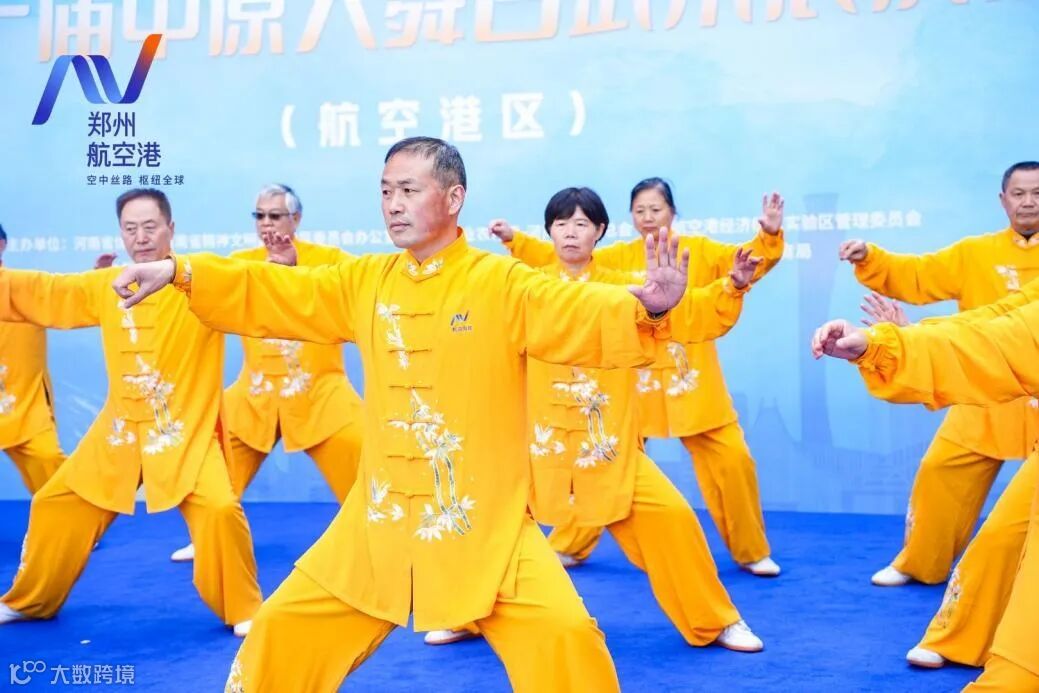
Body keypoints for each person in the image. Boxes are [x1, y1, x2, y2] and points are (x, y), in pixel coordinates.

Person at [112, 137, 691, 692]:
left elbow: (573, 308)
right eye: (386, 191)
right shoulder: (366, 281)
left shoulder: (501, 282)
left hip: (481, 523)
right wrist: (181, 272)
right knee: (282, 628)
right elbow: (275, 290)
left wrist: (649, 308)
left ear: (454, 197)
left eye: (409, 190)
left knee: (566, 635)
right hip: (377, 522)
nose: (393, 204)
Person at [424, 186, 766, 652]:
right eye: (561, 223)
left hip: (606, 446)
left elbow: (684, 316)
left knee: (672, 518)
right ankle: (466, 613)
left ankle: (716, 620)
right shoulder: (524, 289)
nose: (571, 232)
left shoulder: (626, 288)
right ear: (549, 232)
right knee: (489, 523)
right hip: (533, 445)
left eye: (582, 223)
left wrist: (733, 286)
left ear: (600, 231)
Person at [0, 189, 262, 637]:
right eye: (130, 228)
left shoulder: (201, 281)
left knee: (220, 508)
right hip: (119, 431)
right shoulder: (109, 284)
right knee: (56, 503)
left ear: (170, 229)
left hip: (183, 429)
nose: (140, 237)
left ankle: (244, 607)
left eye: (150, 227)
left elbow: (255, 286)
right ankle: (30, 601)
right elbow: (48, 291)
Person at [496, 179, 785, 576]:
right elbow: (565, 261)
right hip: (629, 386)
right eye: (640, 210)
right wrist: (516, 240)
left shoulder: (697, 251)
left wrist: (766, 239)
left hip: (691, 385)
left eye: (656, 209)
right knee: (599, 459)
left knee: (733, 460)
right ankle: (570, 543)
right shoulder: (612, 260)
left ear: (673, 212)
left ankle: (750, 550)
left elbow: (746, 263)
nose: (648, 217)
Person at [811, 291, 1039, 691]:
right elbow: (994, 331)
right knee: (1000, 538)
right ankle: (961, 635)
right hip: (988, 409)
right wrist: (885, 344)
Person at [837, 161, 1039, 587]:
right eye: (1019, 193)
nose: (1028, 202)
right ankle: (920, 562)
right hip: (982, 384)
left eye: (1037, 193)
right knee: (940, 472)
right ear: (1003, 200)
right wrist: (873, 260)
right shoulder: (974, 253)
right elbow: (919, 275)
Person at [168, 184, 364, 563]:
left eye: (275, 216)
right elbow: (200, 288)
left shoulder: (329, 261)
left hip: (319, 394)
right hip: (254, 395)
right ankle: (208, 537)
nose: (266, 224)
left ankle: (380, 539)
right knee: (210, 464)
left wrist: (293, 268)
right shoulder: (242, 263)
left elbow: (359, 290)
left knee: (368, 464)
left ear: (296, 219)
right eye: (260, 216)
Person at [0, 224, 67, 497]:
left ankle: (66, 520)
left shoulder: (25, 288)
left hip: (24, 402)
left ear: (2, 244)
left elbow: (69, 298)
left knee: (47, 459)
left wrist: (100, 276)